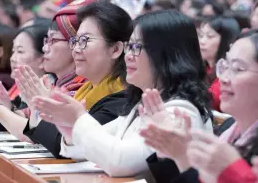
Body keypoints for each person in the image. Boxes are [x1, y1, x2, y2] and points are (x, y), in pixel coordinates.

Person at [32, 9, 213, 178]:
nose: (127, 56)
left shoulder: (181, 112)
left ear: (167, 54)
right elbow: (93, 148)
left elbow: (119, 162)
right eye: (130, 46)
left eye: (137, 47)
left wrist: (79, 118)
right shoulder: (142, 103)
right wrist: (71, 128)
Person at [0, 0, 98, 141]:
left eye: (53, 40)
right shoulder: (51, 83)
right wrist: (3, 107)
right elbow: (29, 125)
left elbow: (51, 138)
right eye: (46, 40)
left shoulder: (85, 87)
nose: (45, 47)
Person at [140, 32, 258, 183]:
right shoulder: (228, 130)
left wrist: (235, 174)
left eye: (237, 69)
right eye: (225, 66)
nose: (223, 78)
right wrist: (178, 154)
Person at [198, 17, 240, 111]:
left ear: (226, 40)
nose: (202, 41)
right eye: (201, 35)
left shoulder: (230, 74)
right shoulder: (202, 68)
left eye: (210, 36)